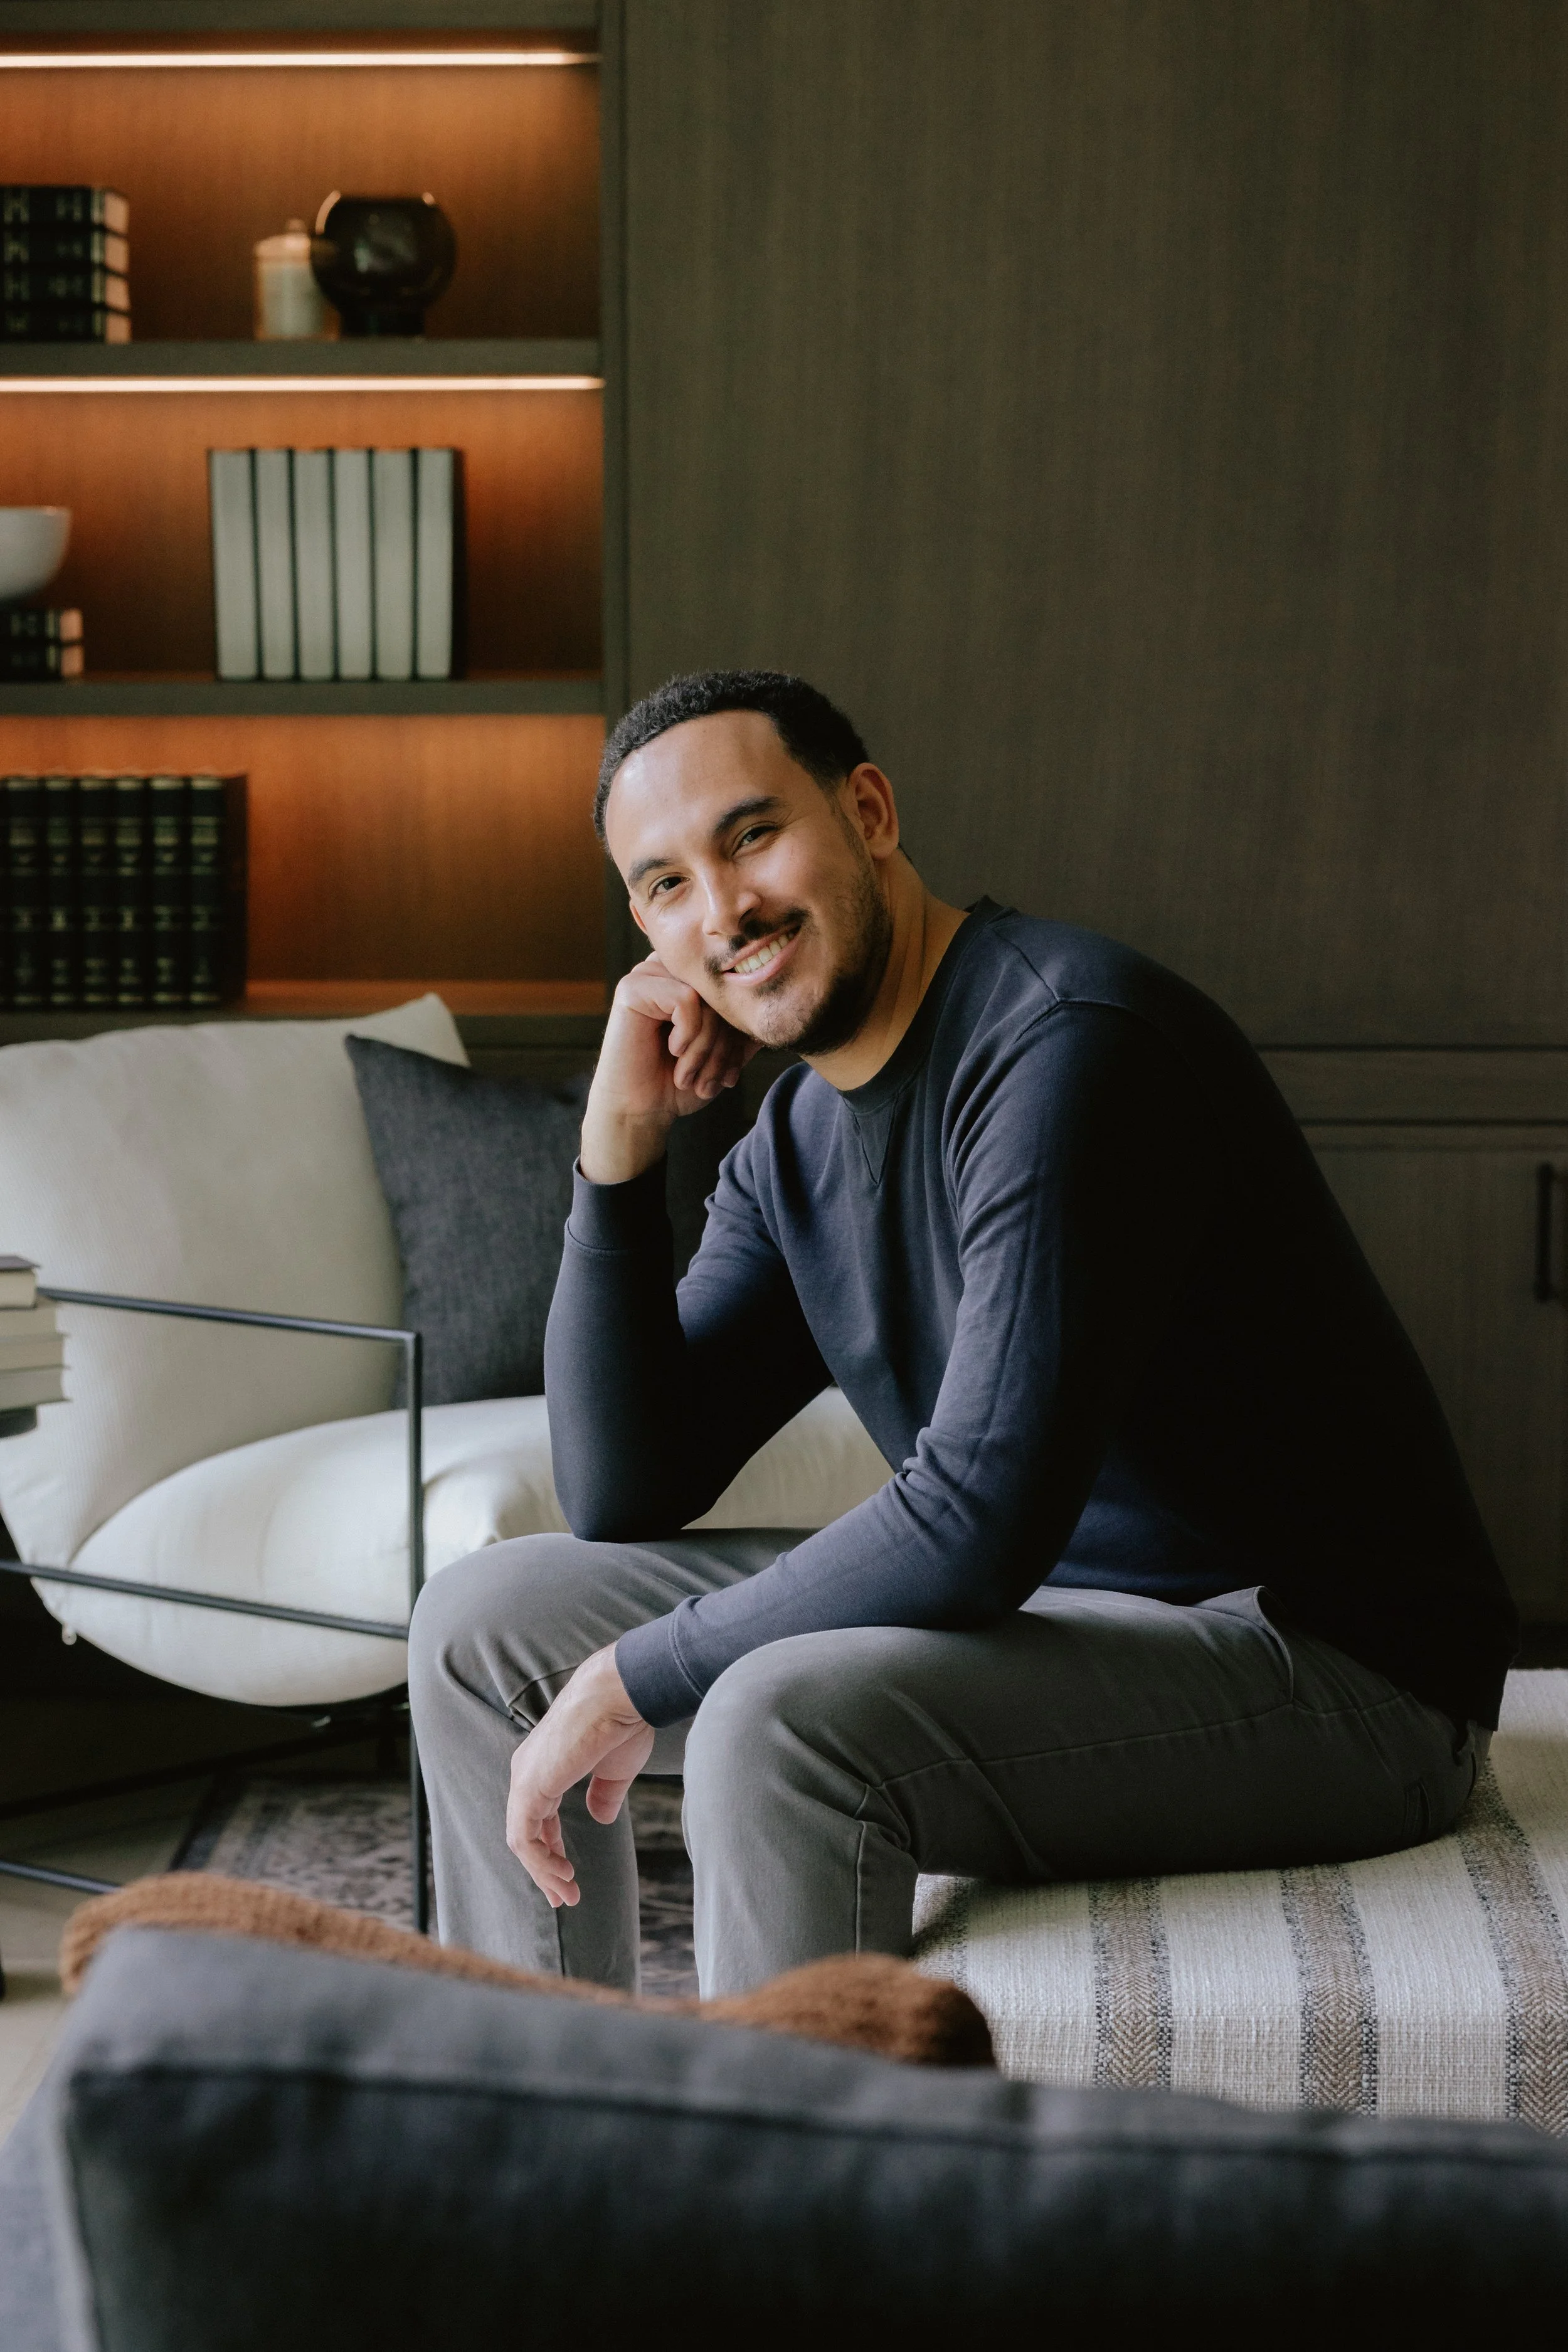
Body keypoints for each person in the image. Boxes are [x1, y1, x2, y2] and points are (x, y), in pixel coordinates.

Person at [409, 669, 1518, 1998]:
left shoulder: (1065, 1047)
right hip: (1075, 1618)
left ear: (867, 812)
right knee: (484, 1621)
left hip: (1338, 1678)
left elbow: (976, 1516)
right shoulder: (797, 1140)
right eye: (662, 885)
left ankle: (769, 2179)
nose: (723, 912)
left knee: (775, 1719)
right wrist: (616, 1151)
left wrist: (636, 1678)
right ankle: (542, 2122)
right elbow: (620, 1486)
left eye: (751, 835)